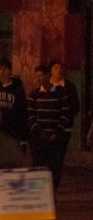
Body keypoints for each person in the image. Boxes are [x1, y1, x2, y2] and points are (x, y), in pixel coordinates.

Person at [28, 61, 79, 189]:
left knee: (55, 166)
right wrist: (40, 132)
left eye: (40, 76)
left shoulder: (61, 92)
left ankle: (52, 189)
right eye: (37, 76)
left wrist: (57, 132)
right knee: (39, 165)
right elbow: (31, 115)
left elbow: (64, 113)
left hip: (57, 136)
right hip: (40, 137)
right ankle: (40, 191)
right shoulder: (34, 94)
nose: (39, 79)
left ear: (47, 75)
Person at [0, 58, 29, 144]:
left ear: (10, 71)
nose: (2, 72)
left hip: (12, 129)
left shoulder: (17, 88)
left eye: (5, 69)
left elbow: (22, 111)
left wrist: (22, 136)